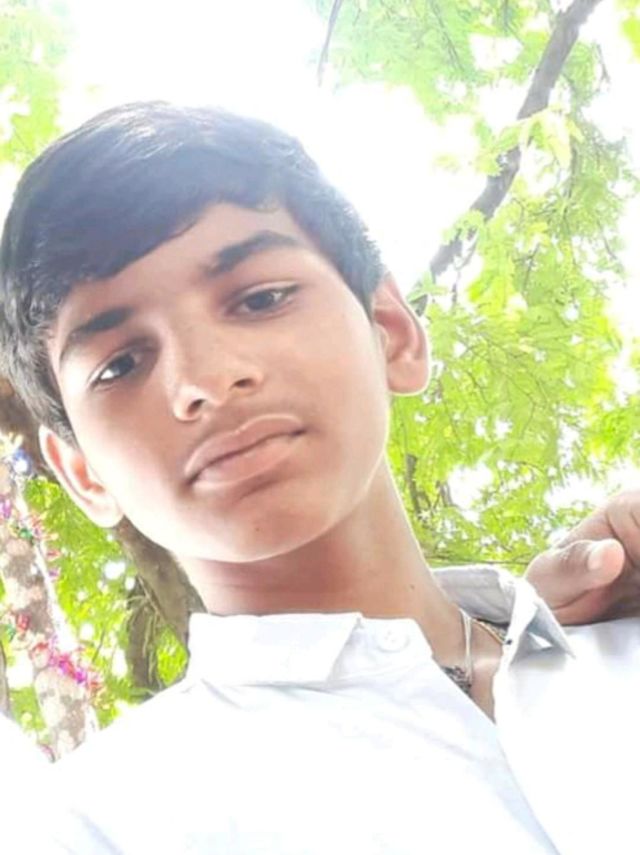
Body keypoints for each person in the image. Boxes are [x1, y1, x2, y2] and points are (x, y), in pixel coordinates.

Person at [0, 101, 638, 854]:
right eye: (120, 364)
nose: (205, 378)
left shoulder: (614, 640)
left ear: (392, 332)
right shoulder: (97, 824)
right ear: (82, 473)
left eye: (260, 299)